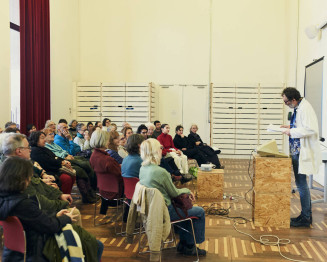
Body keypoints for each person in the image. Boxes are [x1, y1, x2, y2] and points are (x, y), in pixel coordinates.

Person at [0, 157, 103, 262]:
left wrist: (56, 216)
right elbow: (50, 226)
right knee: (97, 246)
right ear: (21, 178)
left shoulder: (5, 200)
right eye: (28, 176)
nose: (30, 179)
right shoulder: (23, 203)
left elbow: (35, 220)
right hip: (39, 249)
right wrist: (66, 218)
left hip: (14, 253)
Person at [139, 139, 206, 256]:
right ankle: (190, 246)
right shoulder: (160, 172)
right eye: (160, 148)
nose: (162, 150)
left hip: (150, 211)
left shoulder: (142, 168)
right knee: (199, 212)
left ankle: (184, 243)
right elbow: (174, 193)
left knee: (186, 209)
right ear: (155, 151)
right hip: (165, 212)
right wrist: (188, 190)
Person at [281, 87, 322, 227]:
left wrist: (291, 131)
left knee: (301, 185)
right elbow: (302, 125)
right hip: (297, 149)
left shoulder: (305, 108)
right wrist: (290, 126)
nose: (286, 104)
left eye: (286, 102)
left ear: (293, 99)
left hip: (301, 151)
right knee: (301, 184)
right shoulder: (299, 107)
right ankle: (305, 215)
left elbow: (310, 129)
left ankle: (305, 217)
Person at [89, 130, 123, 215]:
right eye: (107, 139)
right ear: (104, 141)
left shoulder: (93, 156)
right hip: (116, 193)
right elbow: (120, 176)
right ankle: (128, 217)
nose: (109, 141)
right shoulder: (108, 160)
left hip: (103, 192)